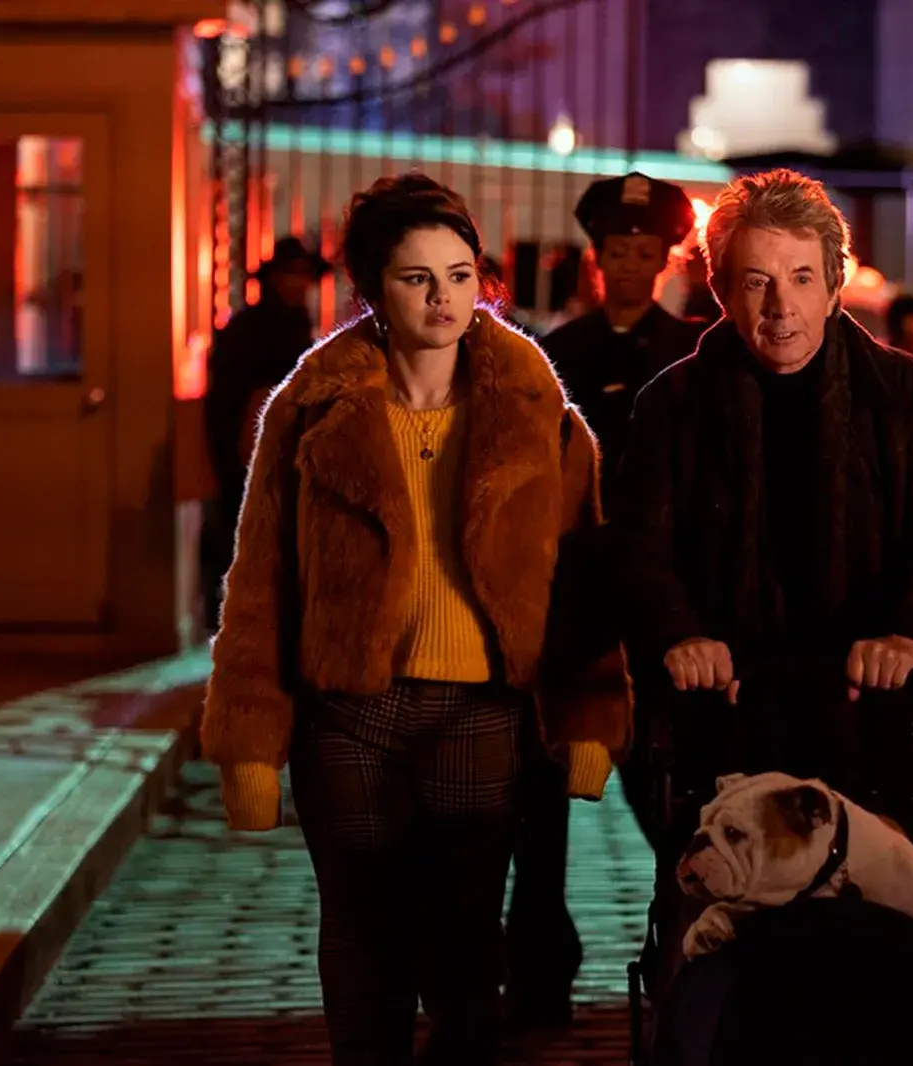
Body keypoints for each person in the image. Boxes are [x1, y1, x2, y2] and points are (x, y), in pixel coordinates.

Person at [199, 173, 630, 1066]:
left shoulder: (537, 412)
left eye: (461, 275)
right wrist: (248, 740)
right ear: (371, 289)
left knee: (467, 944)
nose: (444, 298)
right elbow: (261, 581)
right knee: (362, 934)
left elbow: (581, 576)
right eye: (417, 278)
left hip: (481, 710)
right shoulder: (311, 407)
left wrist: (589, 717)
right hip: (347, 711)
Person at [611, 168, 913, 1001]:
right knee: (713, 948)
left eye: (799, 279)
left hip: (865, 708)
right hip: (724, 714)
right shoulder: (672, 404)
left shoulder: (901, 393)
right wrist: (678, 632)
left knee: (875, 954)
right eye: (755, 282)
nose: (780, 307)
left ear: (833, 282)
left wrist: (907, 630)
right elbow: (635, 545)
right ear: (719, 289)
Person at [503, 170, 706, 1029]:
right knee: (538, 801)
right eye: (617, 252)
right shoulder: (558, 354)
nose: (630, 266)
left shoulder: (696, 349)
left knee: (670, 798)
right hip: (570, 601)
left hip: (659, 605)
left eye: (645, 253)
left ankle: (686, 962)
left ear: (664, 262)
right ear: (596, 260)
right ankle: (540, 969)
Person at [200, 236, 328, 632]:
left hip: (273, 446)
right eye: (291, 274)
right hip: (249, 447)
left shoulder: (291, 323)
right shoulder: (258, 328)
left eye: (303, 275)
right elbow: (236, 398)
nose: (298, 283)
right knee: (245, 531)